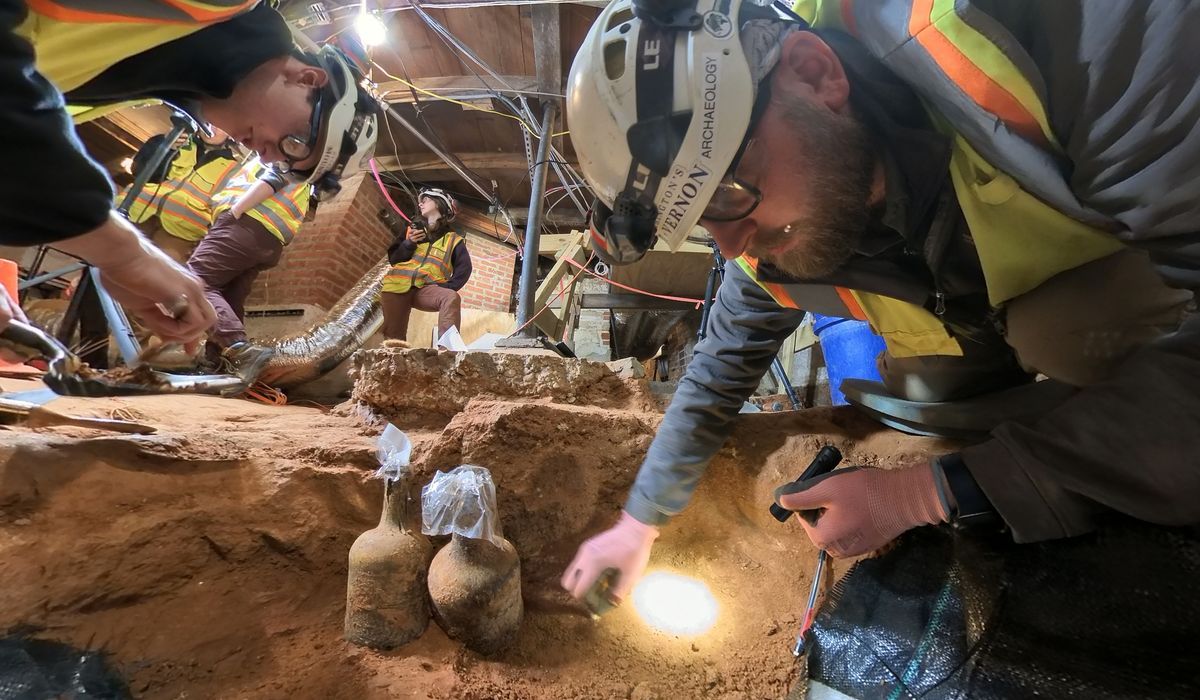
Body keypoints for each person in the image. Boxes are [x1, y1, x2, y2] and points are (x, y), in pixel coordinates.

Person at [560, 0, 1200, 605]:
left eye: (726, 190)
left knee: (1062, 335)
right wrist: (637, 523)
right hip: (991, 307)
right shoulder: (768, 233)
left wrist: (933, 491)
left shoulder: (1048, 40)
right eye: (703, 220)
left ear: (814, 74)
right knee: (929, 397)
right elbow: (715, 374)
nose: (730, 246)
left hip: (1131, 267)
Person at [0, 1, 379, 353]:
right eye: (294, 143)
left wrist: (118, 253)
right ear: (306, 78)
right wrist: (122, 251)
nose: (266, 154)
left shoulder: (144, 76)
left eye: (284, 164)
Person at [189, 159, 311, 379]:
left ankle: (239, 349)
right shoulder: (308, 171)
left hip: (244, 223)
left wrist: (234, 211)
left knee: (192, 282)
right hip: (269, 239)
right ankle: (216, 366)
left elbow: (275, 177)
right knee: (229, 298)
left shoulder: (279, 146)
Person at [122, 126, 240, 264]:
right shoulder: (170, 140)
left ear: (231, 134)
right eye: (209, 122)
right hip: (135, 214)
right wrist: (166, 147)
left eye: (220, 126)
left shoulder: (234, 170)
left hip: (178, 236)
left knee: (152, 278)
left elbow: (223, 212)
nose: (212, 128)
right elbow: (139, 170)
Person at [381, 188, 473, 344]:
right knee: (394, 341)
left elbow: (465, 268)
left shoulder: (453, 239)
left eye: (425, 200)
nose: (420, 203)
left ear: (439, 203)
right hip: (396, 287)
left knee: (450, 297)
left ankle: (448, 350)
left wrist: (447, 286)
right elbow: (394, 259)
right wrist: (409, 243)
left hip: (426, 289)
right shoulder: (410, 231)